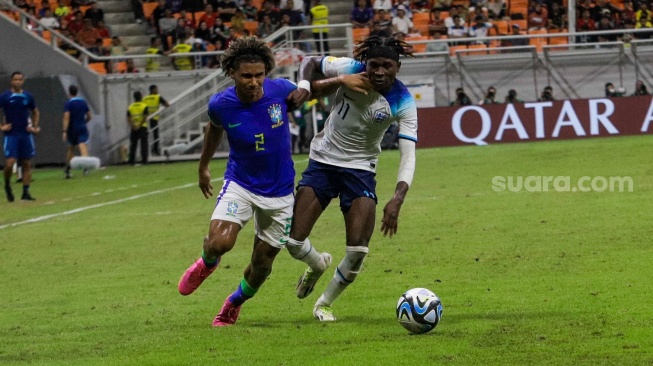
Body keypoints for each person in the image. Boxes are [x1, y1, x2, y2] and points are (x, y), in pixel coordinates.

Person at [176, 36, 329, 327]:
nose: (254, 81)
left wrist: (312, 88)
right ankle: (207, 262)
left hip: (281, 193)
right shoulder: (220, 104)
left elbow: (316, 86)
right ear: (232, 73)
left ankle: (234, 303)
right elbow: (214, 129)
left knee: (262, 265)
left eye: (259, 75)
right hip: (241, 184)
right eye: (246, 75)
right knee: (221, 242)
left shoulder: (281, 91)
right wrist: (203, 166)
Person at [289, 35, 418, 321]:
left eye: (387, 66)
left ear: (397, 67)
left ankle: (323, 304)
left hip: (360, 169)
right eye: (374, 65)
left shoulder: (404, 102)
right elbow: (310, 62)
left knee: (358, 249)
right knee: (294, 242)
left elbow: (408, 156)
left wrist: (397, 199)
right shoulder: (349, 68)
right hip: (323, 161)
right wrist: (309, 84)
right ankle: (317, 264)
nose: (379, 72)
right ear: (366, 63)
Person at [0, 71, 40, 202]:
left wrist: (34, 126)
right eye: (15, 79)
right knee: (10, 163)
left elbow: (35, 112)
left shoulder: (28, 96)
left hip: (25, 134)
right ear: (11, 81)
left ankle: (25, 192)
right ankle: (7, 184)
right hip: (11, 134)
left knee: (27, 163)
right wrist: (1, 127)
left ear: (23, 81)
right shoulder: (5, 96)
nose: (17, 82)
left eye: (20, 79)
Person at [62, 85, 92, 179]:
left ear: (69, 92)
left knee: (71, 148)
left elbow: (67, 116)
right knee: (83, 145)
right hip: (82, 127)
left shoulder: (68, 103)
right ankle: (86, 166)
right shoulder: (83, 102)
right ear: (77, 92)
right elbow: (89, 115)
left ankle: (68, 168)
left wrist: (64, 131)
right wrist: (85, 121)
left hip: (72, 129)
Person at [142, 85, 170, 156]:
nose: (158, 91)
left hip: (146, 119)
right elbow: (167, 104)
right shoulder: (157, 97)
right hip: (154, 118)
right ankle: (155, 150)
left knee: (146, 137)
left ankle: (147, 152)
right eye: (156, 89)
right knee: (155, 135)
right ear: (153, 90)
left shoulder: (145, 98)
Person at [126, 91, 149, 165]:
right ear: (141, 96)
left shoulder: (130, 106)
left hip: (134, 128)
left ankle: (131, 161)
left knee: (133, 145)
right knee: (144, 144)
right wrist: (139, 125)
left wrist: (133, 126)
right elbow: (145, 117)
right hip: (142, 127)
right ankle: (144, 160)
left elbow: (129, 118)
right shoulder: (144, 106)